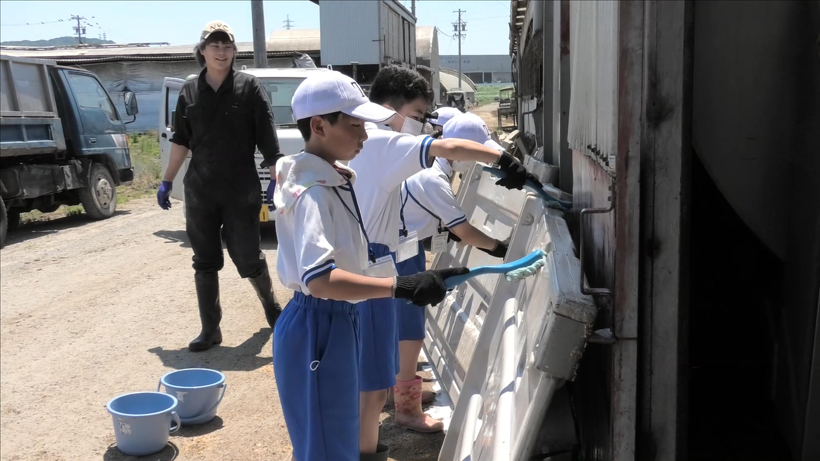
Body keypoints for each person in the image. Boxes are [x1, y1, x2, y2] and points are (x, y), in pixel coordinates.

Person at [271, 70, 468, 461]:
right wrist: (400, 287)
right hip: (319, 322)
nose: (364, 135)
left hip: (337, 318)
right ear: (319, 126)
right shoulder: (312, 190)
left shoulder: (331, 177)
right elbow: (321, 279)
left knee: (340, 434)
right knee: (326, 446)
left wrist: (412, 280)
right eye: (355, 125)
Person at [348, 66, 538, 456]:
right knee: (385, 360)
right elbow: (448, 150)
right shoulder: (388, 144)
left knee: (375, 362)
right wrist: (502, 160)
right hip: (382, 258)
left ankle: (380, 419)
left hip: (381, 255)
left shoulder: (369, 145)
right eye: (417, 116)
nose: (422, 126)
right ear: (390, 109)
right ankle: (397, 417)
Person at [157, 21, 283, 352]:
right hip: (200, 191)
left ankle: (272, 308)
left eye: (227, 46)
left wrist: (276, 176)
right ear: (202, 51)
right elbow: (181, 140)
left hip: (241, 189)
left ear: (234, 51)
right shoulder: (189, 91)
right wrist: (167, 180)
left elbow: (267, 135)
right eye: (214, 45)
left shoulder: (249, 87)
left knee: (248, 257)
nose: (221, 51)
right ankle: (210, 329)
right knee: (205, 260)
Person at [392, 113, 510, 432]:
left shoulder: (429, 168)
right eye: (473, 153)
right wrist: (500, 248)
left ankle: (397, 388)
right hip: (402, 254)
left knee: (396, 325)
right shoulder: (433, 178)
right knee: (410, 330)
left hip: (402, 248)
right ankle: (407, 410)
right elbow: (464, 231)